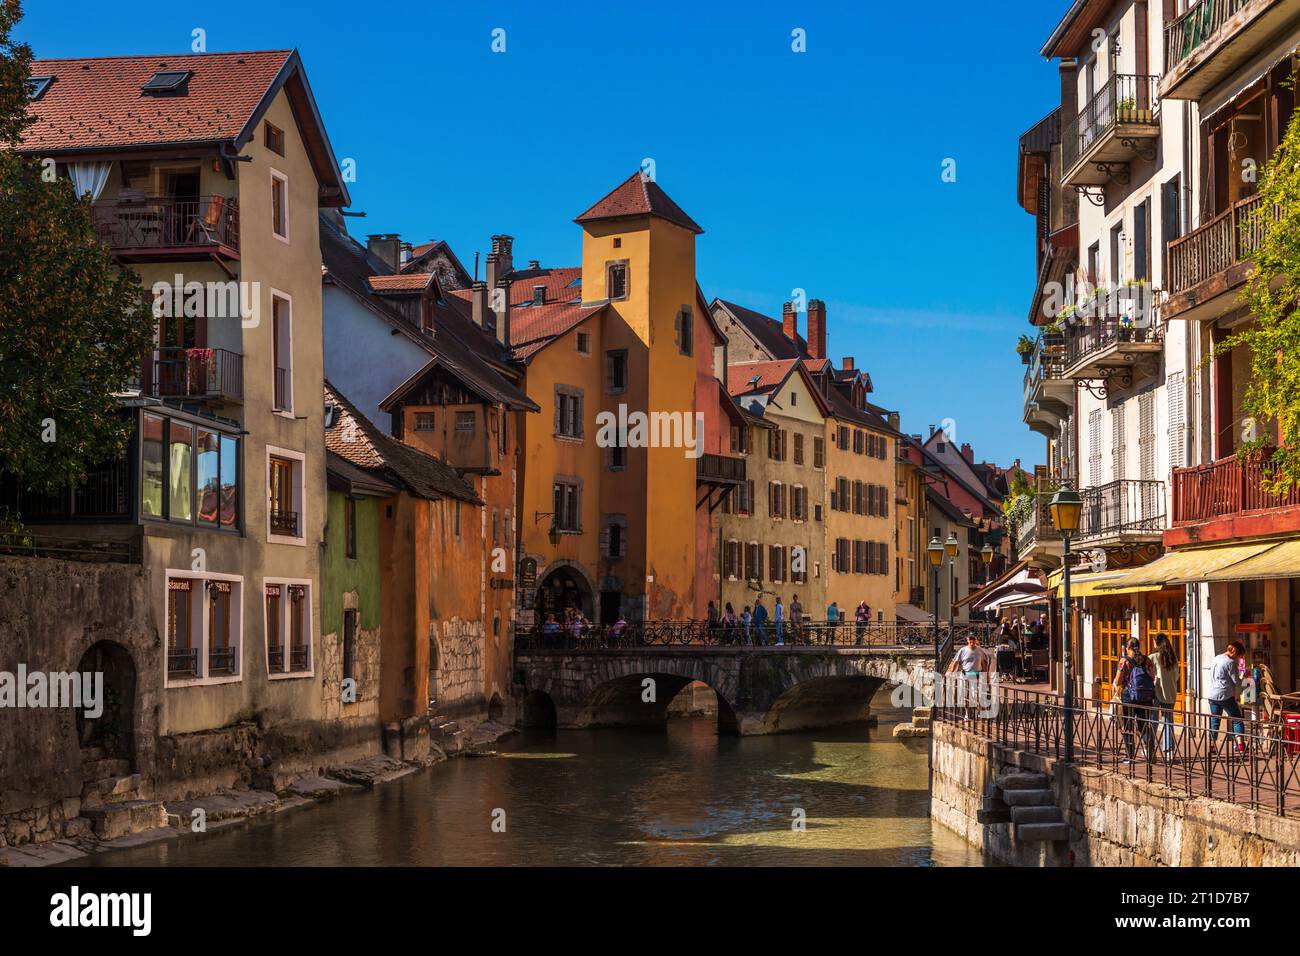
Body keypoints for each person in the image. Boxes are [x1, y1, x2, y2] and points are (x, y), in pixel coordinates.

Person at [1113, 638, 1157, 763]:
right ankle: (1149, 752)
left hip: (1129, 697)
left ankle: (1130, 755)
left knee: (1128, 726)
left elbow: (1118, 681)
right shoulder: (1146, 660)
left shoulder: (1125, 661)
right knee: (1144, 725)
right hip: (1146, 697)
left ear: (1128, 648)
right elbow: (1152, 677)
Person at [1207, 640, 1247, 754]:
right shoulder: (1230, 662)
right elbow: (1236, 682)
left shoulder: (1217, 658)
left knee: (1215, 721)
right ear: (1235, 653)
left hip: (1212, 694)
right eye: (1239, 656)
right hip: (1225, 695)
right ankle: (1240, 746)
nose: (1238, 659)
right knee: (1237, 719)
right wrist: (1244, 680)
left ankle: (1212, 746)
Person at [947, 633, 990, 719]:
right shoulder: (963, 650)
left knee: (976, 695)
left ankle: (978, 712)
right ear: (967, 640)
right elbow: (956, 662)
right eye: (970, 639)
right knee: (964, 695)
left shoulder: (980, 651)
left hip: (976, 675)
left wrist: (986, 676)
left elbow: (984, 663)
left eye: (973, 639)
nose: (972, 641)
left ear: (976, 640)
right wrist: (951, 672)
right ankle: (966, 714)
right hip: (965, 675)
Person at [1151, 633, 1179, 761]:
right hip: (1170, 694)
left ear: (1156, 643)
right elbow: (1177, 676)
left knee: (1153, 722)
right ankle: (1169, 751)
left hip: (1156, 693)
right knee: (1168, 722)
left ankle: (1150, 749)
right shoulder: (1173, 659)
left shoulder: (1153, 657)